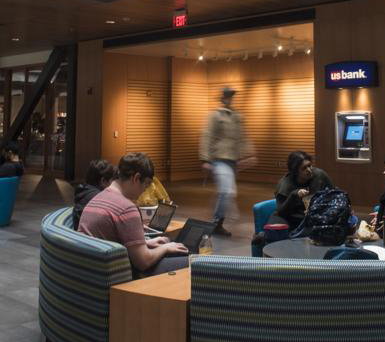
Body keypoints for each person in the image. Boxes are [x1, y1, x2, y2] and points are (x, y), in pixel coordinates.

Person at [78, 153, 189, 276]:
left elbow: (111, 239)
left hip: (92, 269)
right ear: (136, 178)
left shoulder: (99, 197)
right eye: (146, 184)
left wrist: (146, 243)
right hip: (116, 274)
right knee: (191, 261)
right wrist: (165, 248)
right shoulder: (126, 208)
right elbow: (143, 262)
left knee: (172, 250)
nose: (145, 191)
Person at [200, 87, 257, 236]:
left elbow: (243, 137)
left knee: (226, 192)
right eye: (226, 96)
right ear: (222, 98)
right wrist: (205, 159)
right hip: (218, 158)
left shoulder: (237, 116)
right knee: (226, 191)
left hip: (232, 160)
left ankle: (217, 223)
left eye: (231, 96)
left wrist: (249, 154)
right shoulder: (215, 116)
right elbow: (207, 136)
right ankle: (215, 223)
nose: (229, 99)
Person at [270, 151, 333, 231]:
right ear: (295, 172)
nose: (309, 170)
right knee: (275, 229)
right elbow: (281, 212)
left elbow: (333, 194)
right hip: (292, 218)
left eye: (309, 165)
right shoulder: (285, 185)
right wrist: (294, 195)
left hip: (316, 215)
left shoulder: (320, 175)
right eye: (304, 168)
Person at [73, 159, 116, 230]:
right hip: (89, 239)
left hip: (80, 237)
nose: (113, 184)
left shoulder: (84, 191)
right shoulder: (98, 198)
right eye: (112, 180)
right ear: (103, 181)